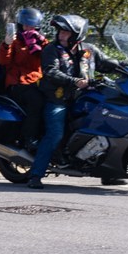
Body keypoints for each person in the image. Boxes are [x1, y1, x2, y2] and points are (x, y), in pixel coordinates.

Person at [27, 13, 94, 189]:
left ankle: (110, 173)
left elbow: (107, 62)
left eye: (66, 32)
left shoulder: (87, 51)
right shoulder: (51, 49)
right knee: (55, 134)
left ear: (76, 35)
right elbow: (51, 71)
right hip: (58, 100)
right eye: (60, 31)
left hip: (82, 99)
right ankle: (36, 174)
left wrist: (126, 68)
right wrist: (74, 81)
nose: (61, 34)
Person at [0, 7, 46, 147]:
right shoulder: (15, 41)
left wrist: (39, 43)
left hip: (38, 81)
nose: (27, 28)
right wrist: (6, 44)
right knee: (36, 101)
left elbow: (50, 57)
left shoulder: (42, 41)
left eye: (31, 25)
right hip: (19, 82)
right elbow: (3, 61)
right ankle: (29, 138)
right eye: (25, 25)